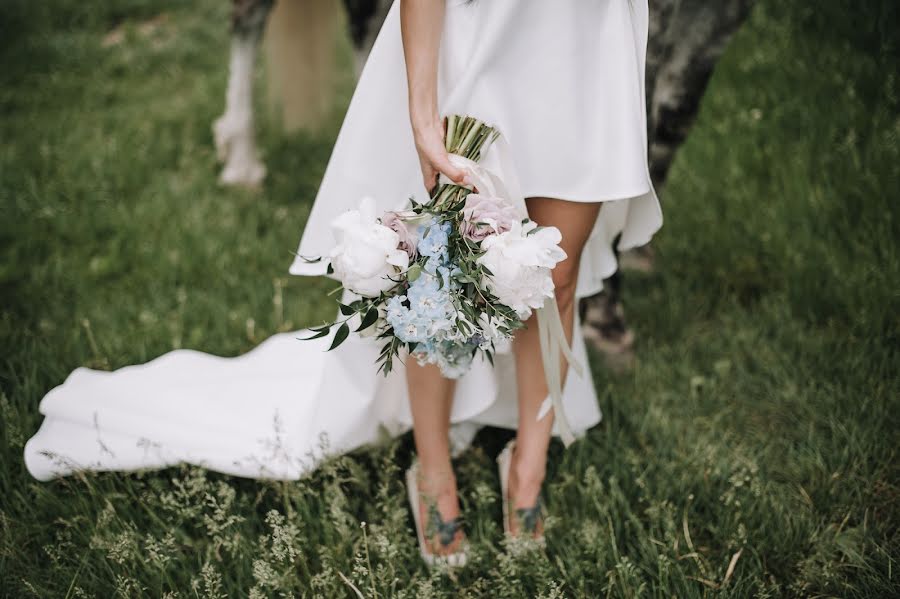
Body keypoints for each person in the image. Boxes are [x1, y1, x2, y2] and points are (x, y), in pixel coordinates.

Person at [24, 0, 661, 568]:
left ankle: (529, 462)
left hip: (587, 39)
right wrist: (421, 114)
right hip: (482, 35)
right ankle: (432, 468)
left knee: (557, 272)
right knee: (438, 265)